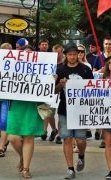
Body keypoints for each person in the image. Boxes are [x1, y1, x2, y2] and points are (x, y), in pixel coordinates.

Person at [56, 42, 93, 179]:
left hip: (80, 109)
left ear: (78, 55)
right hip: (64, 109)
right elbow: (54, 91)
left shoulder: (85, 70)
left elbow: (92, 89)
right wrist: (60, 84)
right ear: (66, 55)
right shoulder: (60, 69)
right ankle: (70, 168)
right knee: (67, 138)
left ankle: (81, 155)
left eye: (74, 54)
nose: (72, 57)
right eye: (69, 54)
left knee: (80, 139)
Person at [7, 48, 45, 179]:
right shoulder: (12, 69)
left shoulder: (41, 70)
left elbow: (49, 89)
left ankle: (26, 168)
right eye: (25, 54)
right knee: (12, 137)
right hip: (16, 105)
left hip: (32, 106)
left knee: (29, 137)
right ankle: (23, 157)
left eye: (30, 54)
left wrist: (53, 80)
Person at [38, 39, 58, 143]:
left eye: (46, 44)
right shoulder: (36, 57)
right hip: (39, 88)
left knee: (49, 112)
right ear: (39, 46)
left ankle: (52, 130)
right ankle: (45, 131)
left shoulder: (52, 57)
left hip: (50, 88)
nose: (45, 46)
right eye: (43, 44)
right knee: (43, 111)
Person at [52, 43, 65, 145]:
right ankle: (54, 129)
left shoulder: (65, 63)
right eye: (55, 53)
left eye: (59, 53)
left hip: (62, 92)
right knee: (50, 114)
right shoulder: (50, 63)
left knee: (60, 114)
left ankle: (59, 135)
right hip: (52, 91)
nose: (57, 55)